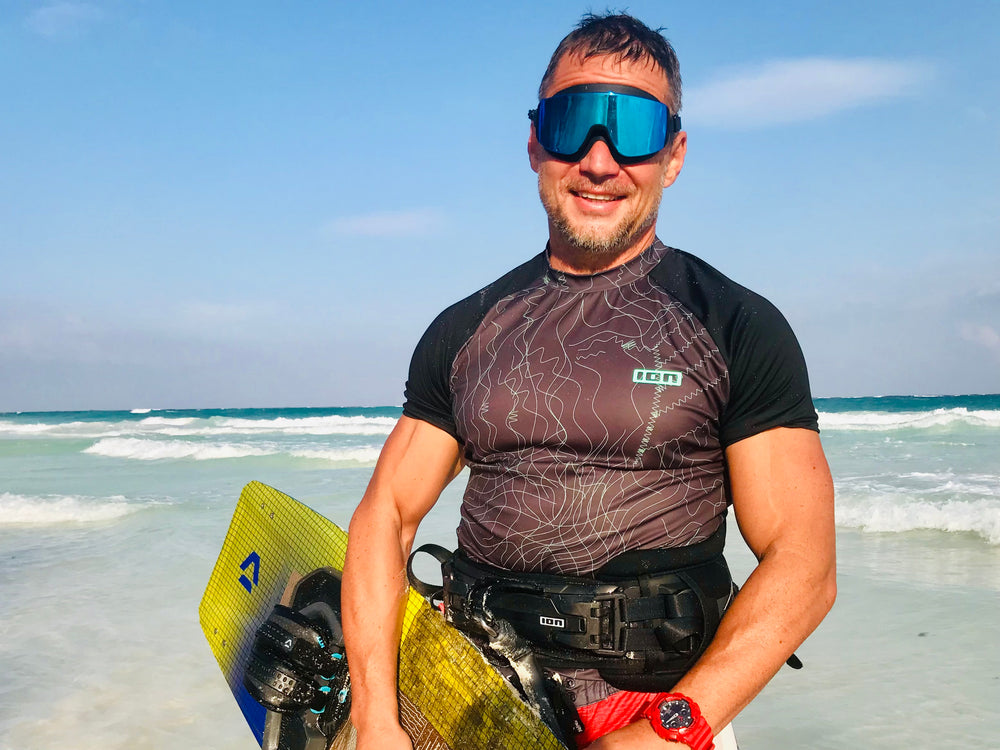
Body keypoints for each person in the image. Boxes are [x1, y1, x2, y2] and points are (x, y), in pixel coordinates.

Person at [342, 12, 836, 750]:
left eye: (634, 129)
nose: (600, 162)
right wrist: (378, 716)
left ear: (674, 154)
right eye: (573, 122)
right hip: (467, 692)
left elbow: (805, 561)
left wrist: (672, 731)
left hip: (653, 713)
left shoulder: (735, 325)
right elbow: (386, 514)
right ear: (536, 140)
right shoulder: (465, 329)